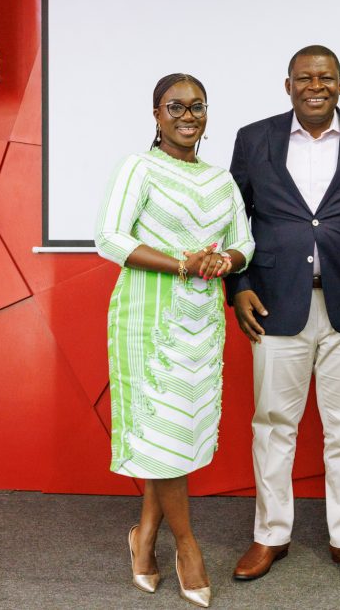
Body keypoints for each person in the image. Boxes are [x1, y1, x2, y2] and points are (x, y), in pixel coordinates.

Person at [225, 45, 340, 587]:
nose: (315, 85)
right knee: (273, 425)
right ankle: (270, 535)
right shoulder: (253, 138)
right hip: (276, 303)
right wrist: (239, 286)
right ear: (288, 86)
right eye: (304, 78)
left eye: (325, 77)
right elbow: (235, 221)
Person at [95, 73, 255, 608]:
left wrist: (224, 260)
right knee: (158, 433)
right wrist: (182, 263)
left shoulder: (221, 179)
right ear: (156, 114)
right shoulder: (138, 167)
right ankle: (186, 545)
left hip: (202, 318)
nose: (188, 116)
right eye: (175, 107)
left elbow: (244, 243)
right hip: (146, 314)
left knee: (175, 434)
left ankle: (143, 539)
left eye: (198, 107)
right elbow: (110, 237)